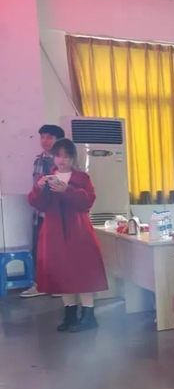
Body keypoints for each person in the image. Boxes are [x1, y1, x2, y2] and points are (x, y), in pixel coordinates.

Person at [27, 138, 108, 332]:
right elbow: (38, 204)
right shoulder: (47, 178)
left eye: (66, 156)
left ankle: (88, 315)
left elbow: (87, 202)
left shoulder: (82, 178)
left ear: (73, 157)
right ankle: (70, 314)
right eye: (58, 155)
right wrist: (39, 187)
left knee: (83, 273)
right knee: (61, 274)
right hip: (53, 232)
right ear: (53, 157)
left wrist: (67, 190)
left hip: (78, 231)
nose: (62, 160)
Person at [23, 123, 66, 297]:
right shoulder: (39, 160)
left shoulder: (63, 160)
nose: (45, 141)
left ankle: (58, 285)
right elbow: (36, 187)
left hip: (57, 213)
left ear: (59, 140)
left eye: (49, 137)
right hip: (40, 212)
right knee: (38, 249)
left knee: (57, 250)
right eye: (42, 137)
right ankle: (40, 285)